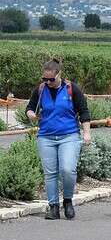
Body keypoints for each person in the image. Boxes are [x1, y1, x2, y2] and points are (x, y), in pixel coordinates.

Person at [26, 59, 91, 220]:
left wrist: (86, 133)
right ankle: (53, 206)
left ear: (59, 74)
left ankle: (67, 200)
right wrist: (31, 115)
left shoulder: (71, 89)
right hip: (46, 136)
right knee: (50, 173)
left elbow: (84, 111)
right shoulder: (40, 89)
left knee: (68, 170)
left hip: (69, 135)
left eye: (51, 79)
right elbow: (30, 107)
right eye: (44, 79)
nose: (47, 82)